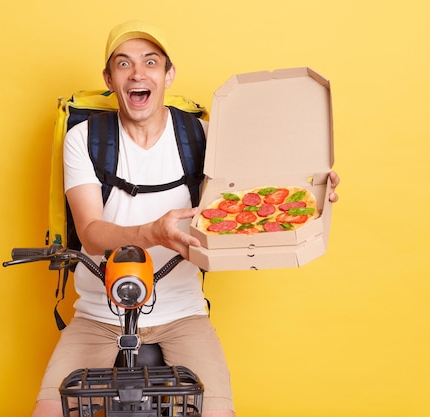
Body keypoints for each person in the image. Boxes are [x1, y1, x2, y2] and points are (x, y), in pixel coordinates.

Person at [32, 20, 341, 417]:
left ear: (168, 74)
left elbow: (257, 198)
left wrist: (312, 193)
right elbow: (91, 234)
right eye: (124, 65)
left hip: (183, 311)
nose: (138, 73)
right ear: (109, 79)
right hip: (97, 314)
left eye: (150, 62)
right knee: (48, 412)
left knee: (217, 413)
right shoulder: (86, 137)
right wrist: (151, 232)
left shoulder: (203, 137)